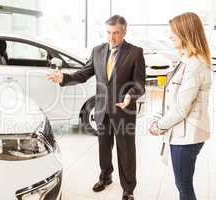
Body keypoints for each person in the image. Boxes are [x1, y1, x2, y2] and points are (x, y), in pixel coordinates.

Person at [47, 15, 145, 200]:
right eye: (108, 32)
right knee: (103, 148)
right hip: (101, 109)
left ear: (123, 32)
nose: (111, 37)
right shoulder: (98, 51)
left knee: (126, 150)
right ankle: (105, 177)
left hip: (123, 110)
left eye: (116, 33)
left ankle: (128, 188)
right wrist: (64, 78)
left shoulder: (135, 53)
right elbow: (84, 74)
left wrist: (129, 95)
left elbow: (140, 84)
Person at [149, 12, 212, 200]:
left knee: (183, 185)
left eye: (173, 32)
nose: (170, 36)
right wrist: (158, 118)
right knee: (182, 183)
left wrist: (158, 126)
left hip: (187, 137)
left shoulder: (195, 65)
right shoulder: (185, 60)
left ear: (186, 33)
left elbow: (181, 108)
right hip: (181, 133)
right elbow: (172, 97)